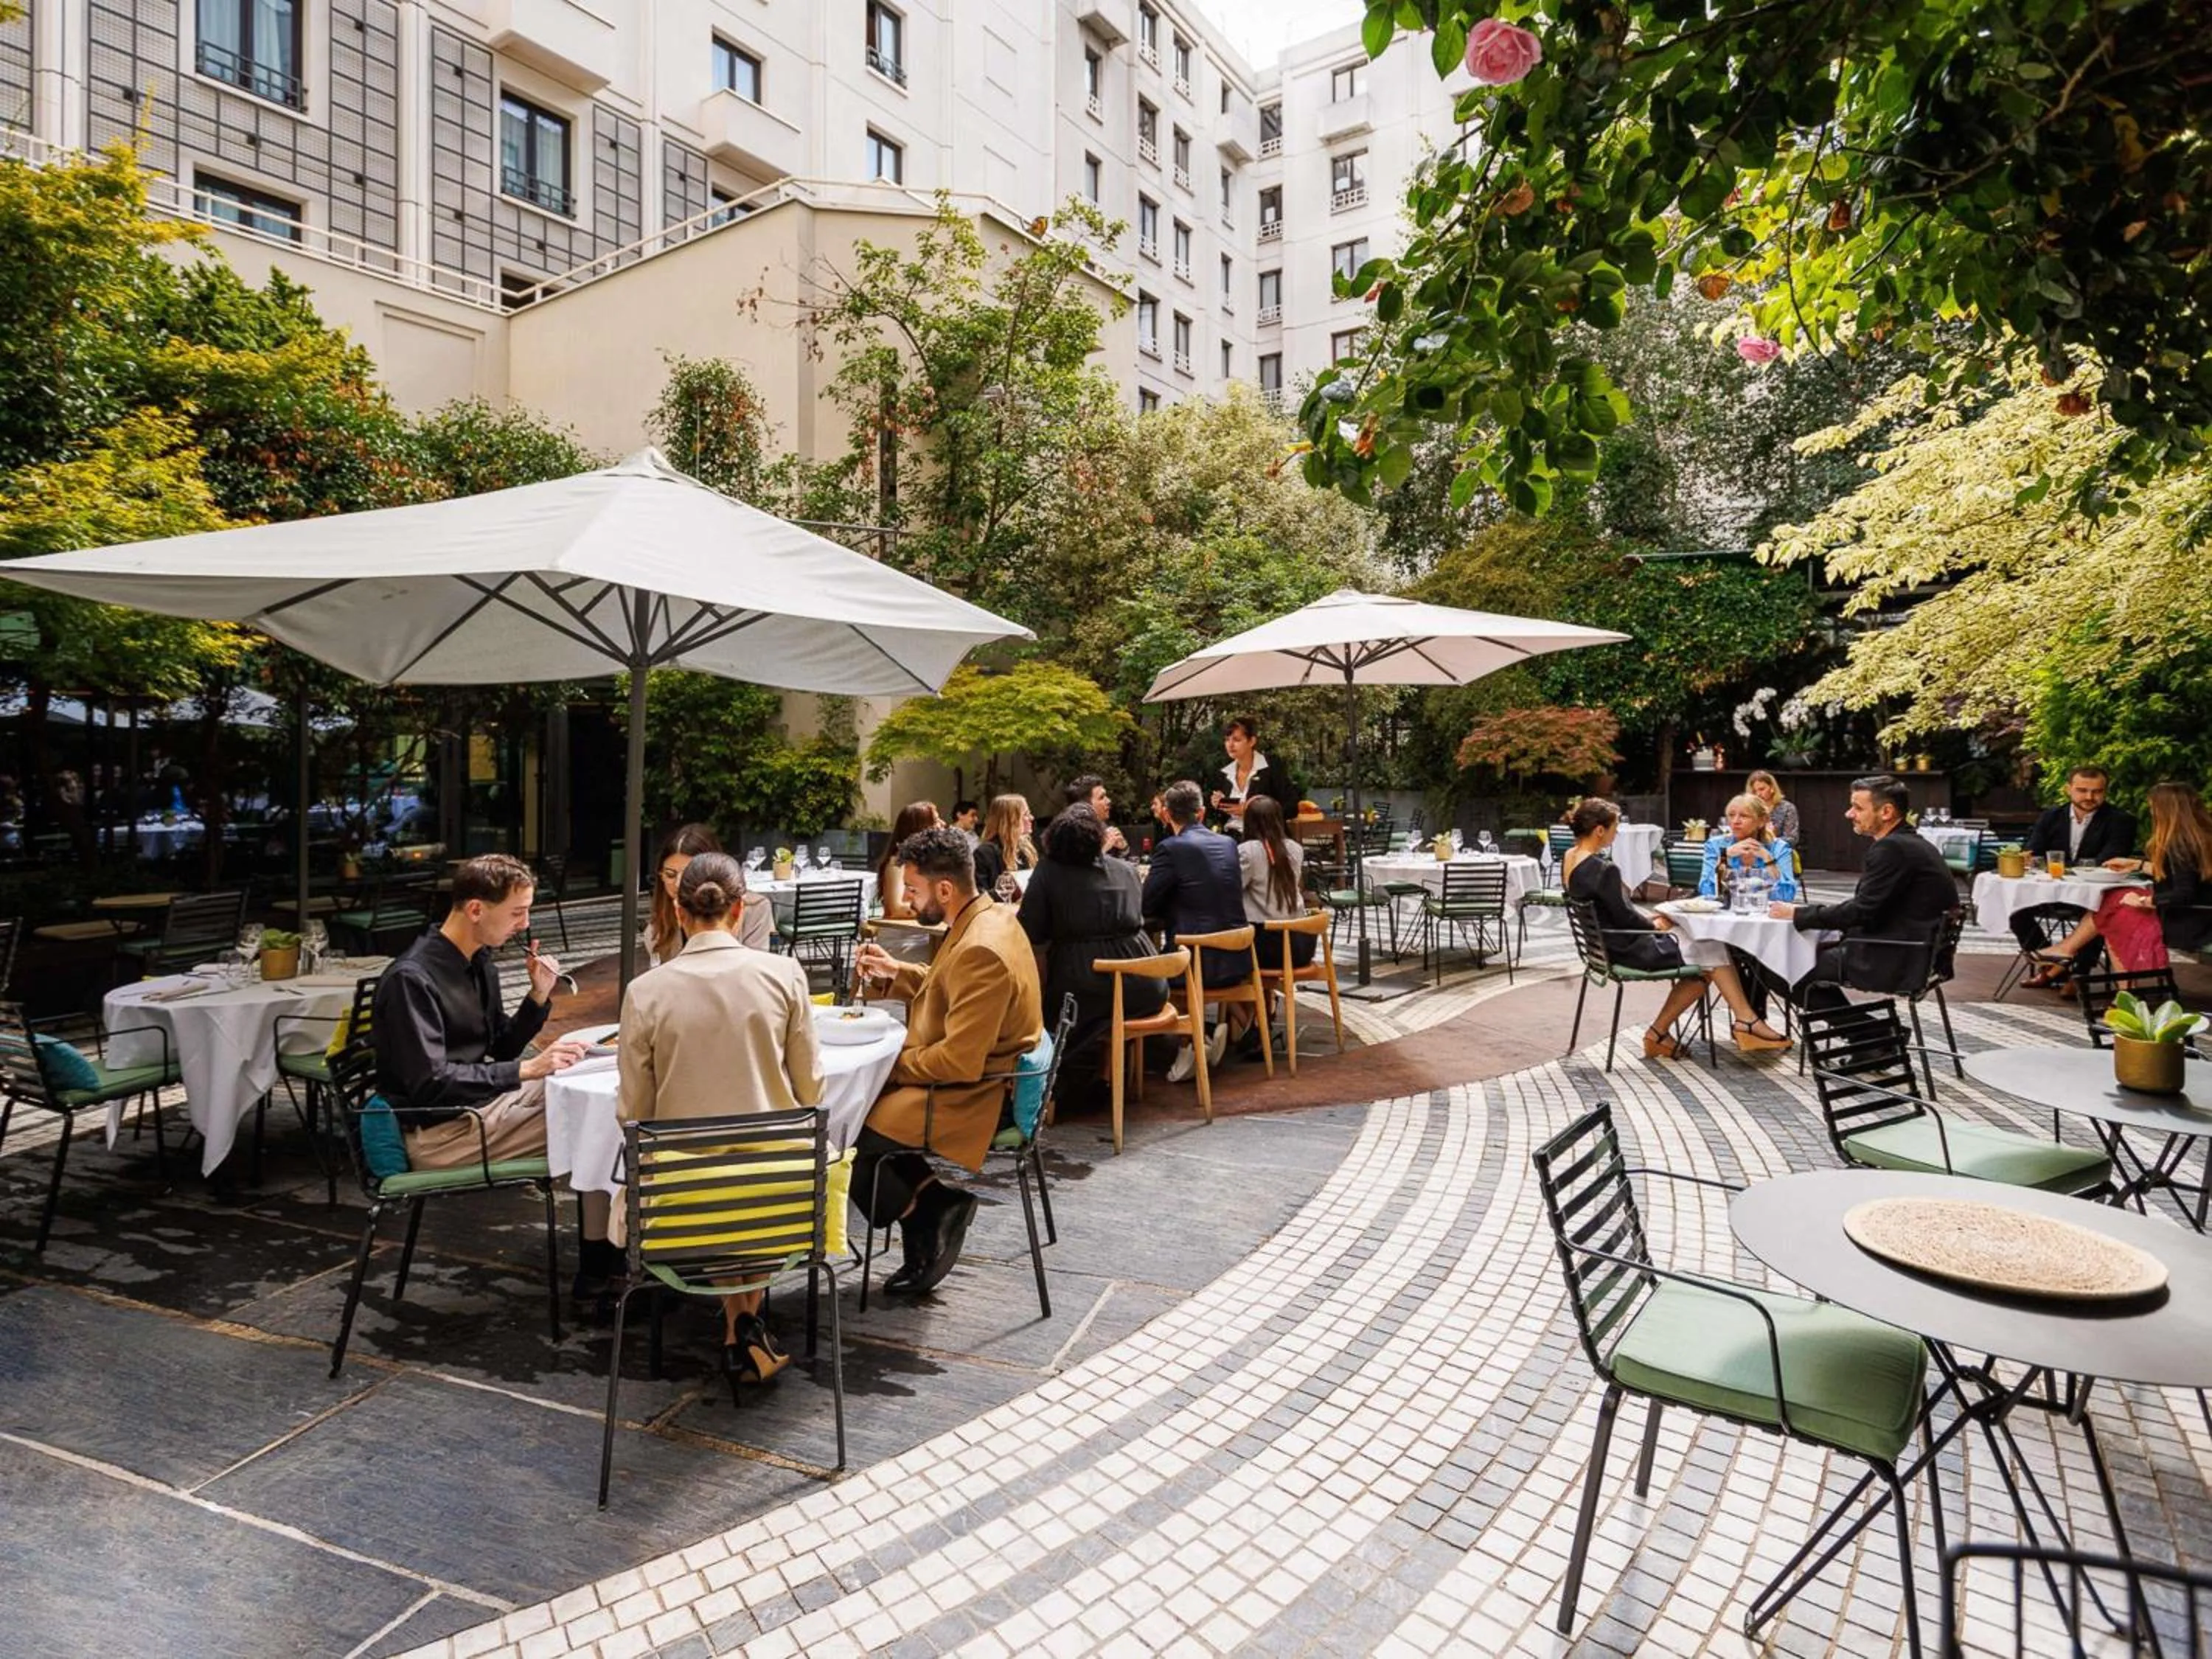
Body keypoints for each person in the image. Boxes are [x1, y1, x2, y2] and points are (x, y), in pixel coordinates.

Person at [616, 852, 824, 1386]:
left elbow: (634, 1113)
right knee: (752, 1173)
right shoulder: (783, 975)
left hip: (685, 1208)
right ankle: (744, 1328)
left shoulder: (646, 992)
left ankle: (741, 1330)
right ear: (739, 911)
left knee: (708, 1177)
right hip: (781, 1201)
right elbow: (811, 1089)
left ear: (680, 914)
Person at [373, 854, 613, 1296]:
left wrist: (538, 997)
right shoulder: (412, 979)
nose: (524, 925)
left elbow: (498, 1046)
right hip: (440, 1134)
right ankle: (604, 1267)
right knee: (597, 1119)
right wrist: (530, 1068)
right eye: (517, 913)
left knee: (585, 1081)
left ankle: (606, 1259)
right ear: (476, 910)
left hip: (478, 1111)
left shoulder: (476, 959)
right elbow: (431, 1082)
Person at [849, 827, 1043, 1295]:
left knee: (848, 1136)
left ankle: (929, 1212)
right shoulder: (986, 917)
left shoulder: (981, 948)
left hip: (978, 1095)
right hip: (978, 1076)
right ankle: (933, 1204)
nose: (909, 901)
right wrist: (896, 972)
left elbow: (958, 1061)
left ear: (944, 889)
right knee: (858, 1120)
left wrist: (893, 1067)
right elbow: (948, 986)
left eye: (913, 890)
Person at [1564, 800, 1790, 1055]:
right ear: (1599, 831)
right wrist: (1656, 923)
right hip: (1628, 947)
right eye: (1615, 827)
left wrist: (1659, 919)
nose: (1617, 833)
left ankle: (1662, 1034)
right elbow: (1625, 917)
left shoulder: (1571, 858)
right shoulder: (1604, 870)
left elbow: (1616, 913)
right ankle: (1746, 1021)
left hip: (1603, 947)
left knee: (1702, 966)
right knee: (1710, 944)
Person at [1016, 805, 1163, 1114]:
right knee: (1104, 1008)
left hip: (1085, 982)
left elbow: (1032, 934)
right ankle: (1104, 1076)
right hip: (1145, 984)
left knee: (1046, 1008)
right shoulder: (1126, 870)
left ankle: (1050, 1086)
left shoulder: (1049, 873)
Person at [1770, 775, 1958, 1005]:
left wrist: (1798, 914)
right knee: (1794, 955)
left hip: (1892, 957)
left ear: (1886, 812)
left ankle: (1869, 1035)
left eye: (1857, 808)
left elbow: (1862, 912)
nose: (1849, 814)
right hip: (1917, 954)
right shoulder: (1911, 843)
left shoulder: (1893, 848)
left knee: (1776, 963)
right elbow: (1869, 909)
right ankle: (1870, 1034)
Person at [2023, 782, 2212, 975]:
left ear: (2166, 811)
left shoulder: (2179, 844)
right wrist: (2136, 865)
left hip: (2190, 922)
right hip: (2199, 916)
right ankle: (2071, 956)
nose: (2153, 813)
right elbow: (2186, 875)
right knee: (2114, 899)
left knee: (2114, 916)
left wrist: (2145, 901)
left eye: (2153, 807)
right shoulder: (2200, 838)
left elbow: (2185, 893)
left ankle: (2116, 986)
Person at [1142, 780, 1252, 1081]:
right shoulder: (1229, 844)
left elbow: (1146, 903)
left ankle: (1190, 1042)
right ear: (1202, 813)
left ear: (1167, 814)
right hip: (1238, 960)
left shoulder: (1170, 848)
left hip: (1197, 964)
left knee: (1146, 976)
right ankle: (1201, 1037)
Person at [2015, 765, 2138, 985]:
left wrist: (2055, 864)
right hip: (2050, 890)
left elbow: (2107, 862)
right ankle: (2052, 963)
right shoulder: (2051, 816)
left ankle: (2081, 972)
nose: (2089, 797)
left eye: (2097, 791)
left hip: (2093, 894)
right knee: (2013, 906)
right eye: (2082, 790)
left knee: (2100, 909)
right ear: (2068, 789)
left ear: (2105, 792)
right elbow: (2033, 851)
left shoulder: (2121, 820)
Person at [644, 823, 771, 965]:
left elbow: (757, 968)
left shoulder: (755, 909)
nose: (678, 884)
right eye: (670, 875)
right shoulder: (657, 928)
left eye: (688, 874)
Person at [1697, 794, 1801, 904]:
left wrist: (1768, 860)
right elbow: (1706, 891)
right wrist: (1724, 857)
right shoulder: (1715, 845)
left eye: (1744, 816)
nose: (1736, 821)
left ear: (1762, 821)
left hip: (1764, 915)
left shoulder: (1780, 848)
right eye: (1731, 815)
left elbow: (1787, 896)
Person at [1211, 717, 1297, 836]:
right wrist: (1218, 804)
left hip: (1263, 837)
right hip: (1229, 837)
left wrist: (1250, 812)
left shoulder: (1271, 768)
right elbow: (1219, 819)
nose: (1230, 745)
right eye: (1227, 740)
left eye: (1237, 740)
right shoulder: (1225, 773)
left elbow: (1291, 808)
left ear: (1252, 741)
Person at [874, 801, 942, 922]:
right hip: (904, 938)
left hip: (928, 936)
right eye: (936, 821)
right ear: (923, 828)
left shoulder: (929, 861)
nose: (943, 824)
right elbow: (896, 908)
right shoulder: (897, 863)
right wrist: (938, 910)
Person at [971, 793, 1037, 895]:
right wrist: (1009, 890)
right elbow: (980, 897)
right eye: (1026, 815)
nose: (1031, 818)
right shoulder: (985, 853)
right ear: (1011, 821)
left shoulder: (1025, 849)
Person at [1064, 774, 1130, 857]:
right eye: (1102, 797)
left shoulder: (1102, 827)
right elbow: (1077, 868)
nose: (1109, 801)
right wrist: (1104, 849)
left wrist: (1123, 849)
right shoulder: (1070, 834)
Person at [1746, 771, 1800, 848]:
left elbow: (1792, 839)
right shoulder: (1749, 809)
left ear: (1772, 788)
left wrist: (1772, 839)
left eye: (1762, 789)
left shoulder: (1787, 808)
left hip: (1779, 851)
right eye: (1754, 791)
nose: (1758, 794)